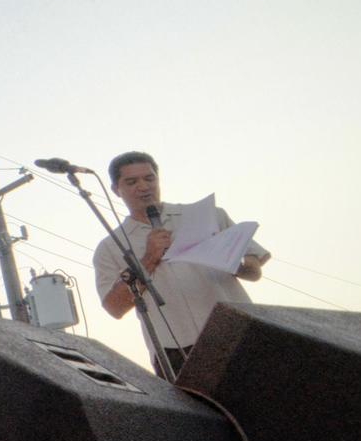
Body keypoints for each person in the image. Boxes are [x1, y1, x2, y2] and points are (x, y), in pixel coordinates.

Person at [93, 151, 269, 377]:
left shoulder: (205, 215)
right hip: (175, 348)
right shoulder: (110, 246)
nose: (144, 187)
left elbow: (254, 270)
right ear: (116, 190)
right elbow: (114, 308)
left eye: (149, 178)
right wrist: (149, 258)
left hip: (236, 329)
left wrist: (232, 261)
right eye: (132, 182)